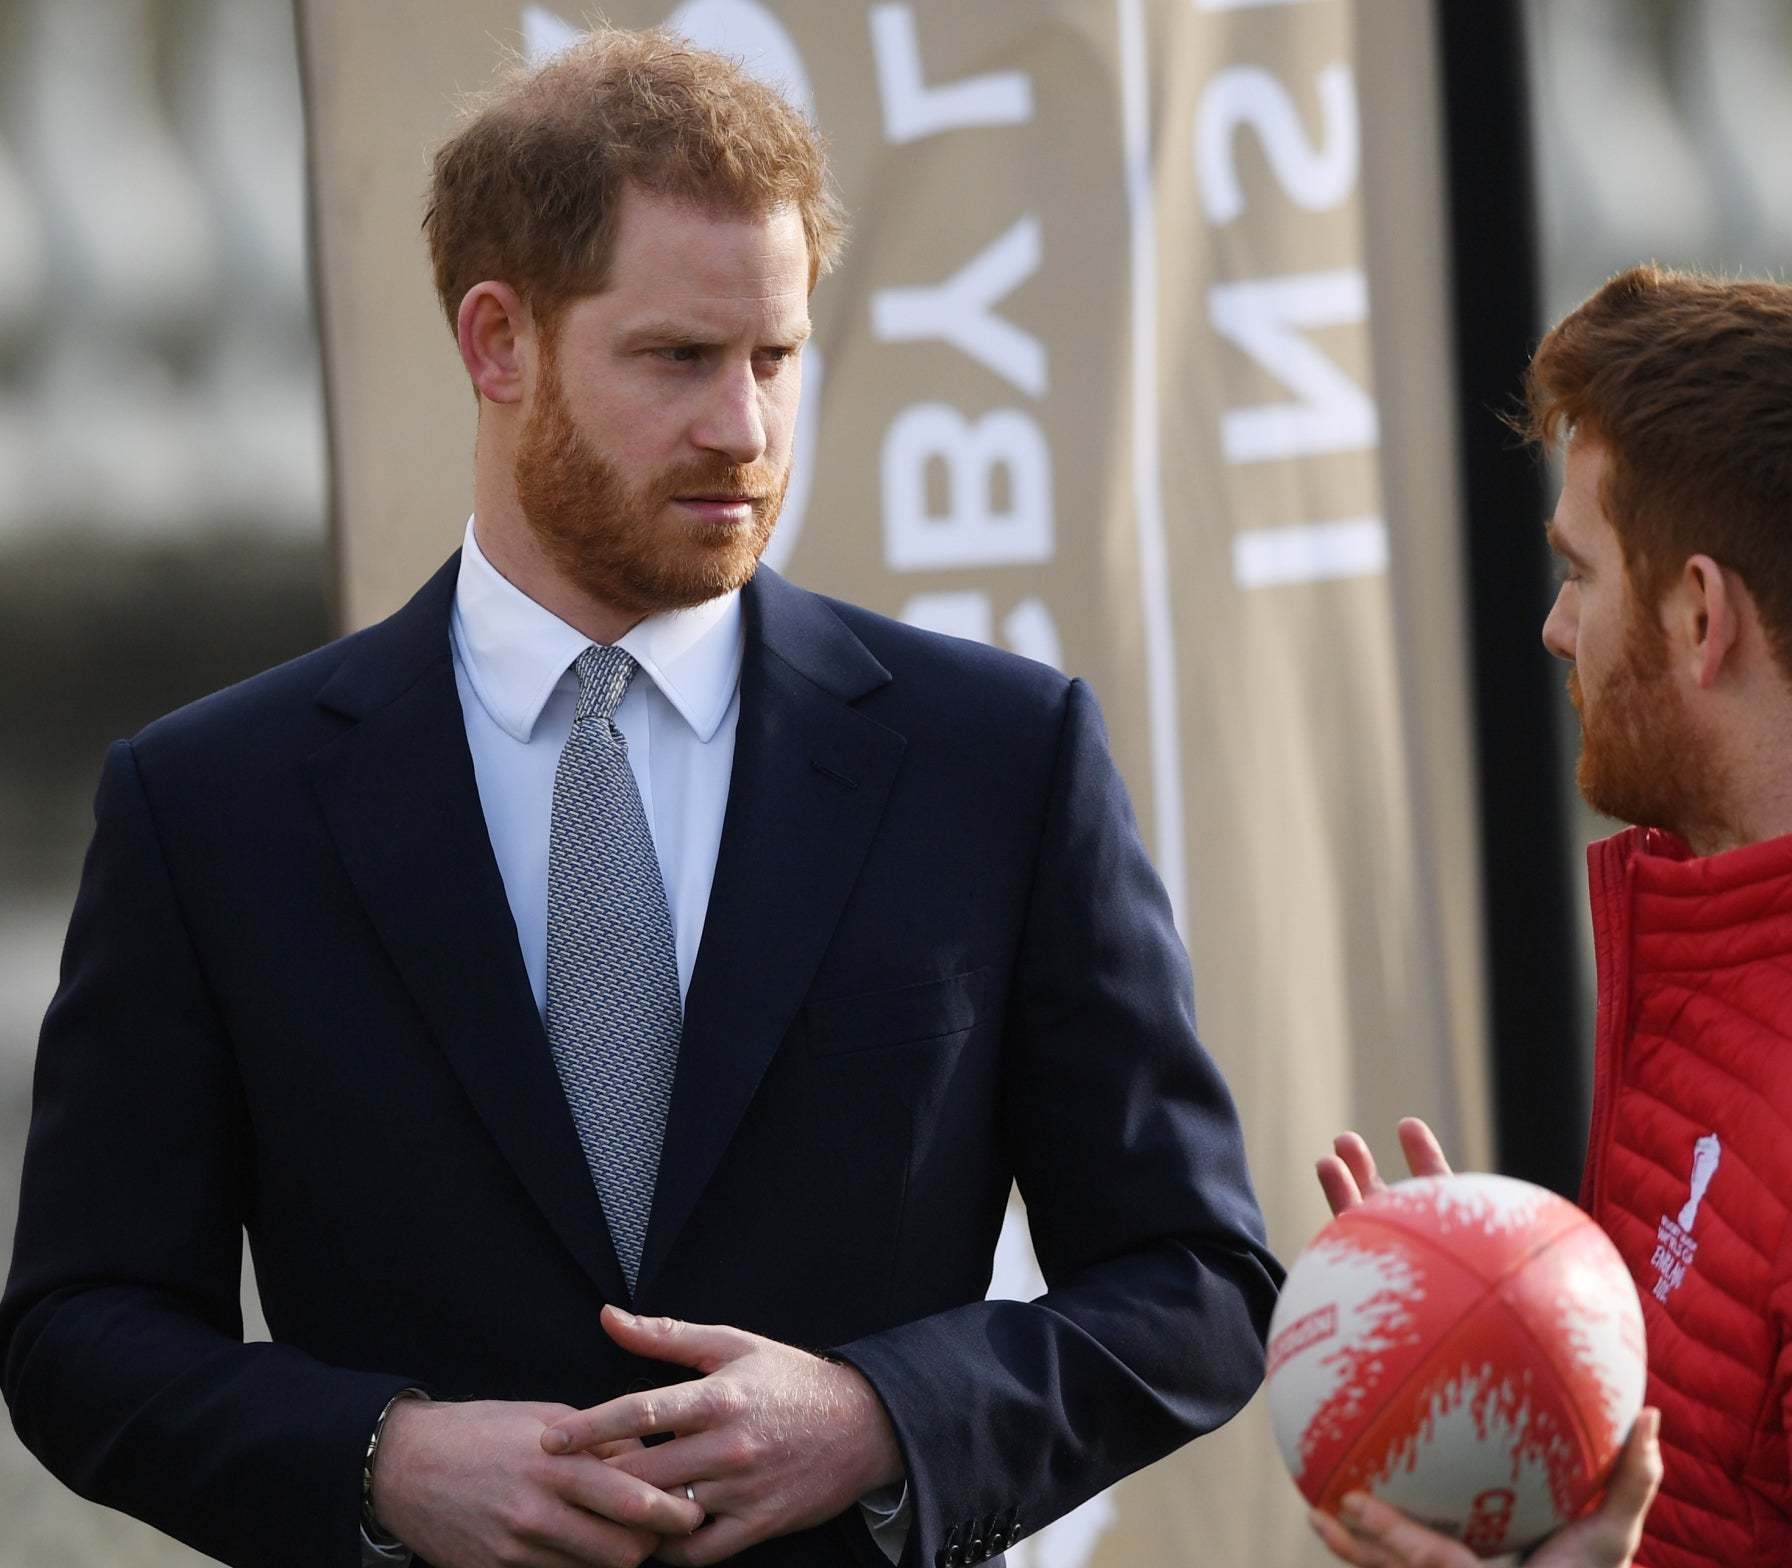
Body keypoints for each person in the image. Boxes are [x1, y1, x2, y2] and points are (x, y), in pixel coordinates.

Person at [0, 31, 1281, 1568]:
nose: (744, 429)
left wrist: (880, 1418)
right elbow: (80, 1330)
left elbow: (1200, 1282)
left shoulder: (998, 762)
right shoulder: (211, 805)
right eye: (678, 358)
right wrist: (379, 1462)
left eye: (777, 358)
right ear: (498, 342)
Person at [1312, 267, 1792, 1568]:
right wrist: (1528, 1355)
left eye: (1580, 571)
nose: (1558, 626)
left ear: (1700, 613)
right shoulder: (1791, 938)